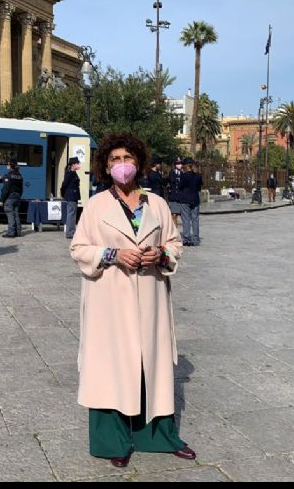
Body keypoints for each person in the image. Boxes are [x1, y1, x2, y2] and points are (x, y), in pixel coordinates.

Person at [69, 132, 196, 468]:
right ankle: (112, 440)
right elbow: (78, 249)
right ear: (105, 166)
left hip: (151, 299)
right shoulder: (96, 206)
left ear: (138, 163)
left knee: (150, 365)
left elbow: (175, 243)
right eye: (114, 159)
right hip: (109, 300)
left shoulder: (157, 204)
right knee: (110, 367)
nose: (121, 165)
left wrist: (161, 253)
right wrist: (113, 254)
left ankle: (157, 436)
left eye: (127, 158)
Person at [179, 158, 203, 246]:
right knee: (195, 219)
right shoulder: (198, 175)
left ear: (185, 166)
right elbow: (199, 188)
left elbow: (180, 186)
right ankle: (196, 239)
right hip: (195, 199)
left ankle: (186, 239)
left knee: (186, 219)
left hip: (185, 199)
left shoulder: (184, 175)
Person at [0, 159, 23, 238]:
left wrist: (2, 199)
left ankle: (11, 232)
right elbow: (21, 188)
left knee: (10, 215)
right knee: (16, 214)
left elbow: (6, 189)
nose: (7, 166)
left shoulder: (8, 175)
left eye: (8, 164)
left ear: (10, 166)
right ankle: (18, 232)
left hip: (9, 198)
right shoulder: (20, 175)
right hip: (17, 197)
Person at [61, 156, 81, 239]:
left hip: (73, 196)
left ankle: (71, 231)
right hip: (71, 196)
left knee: (72, 214)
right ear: (72, 165)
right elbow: (64, 184)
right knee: (71, 214)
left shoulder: (73, 173)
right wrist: (63, 193)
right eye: (77, 163)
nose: (78, 165)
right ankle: (70, 232)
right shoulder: (70, 173)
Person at [167, 157, 183, 226]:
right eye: (178, 163)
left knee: (179, 215)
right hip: (173, 196)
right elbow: (171, 182)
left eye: (180, 163)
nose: (180, 165)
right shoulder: (172, 173)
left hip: (180, 197)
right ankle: (174, 229)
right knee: (173, 214)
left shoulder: (183, 173)